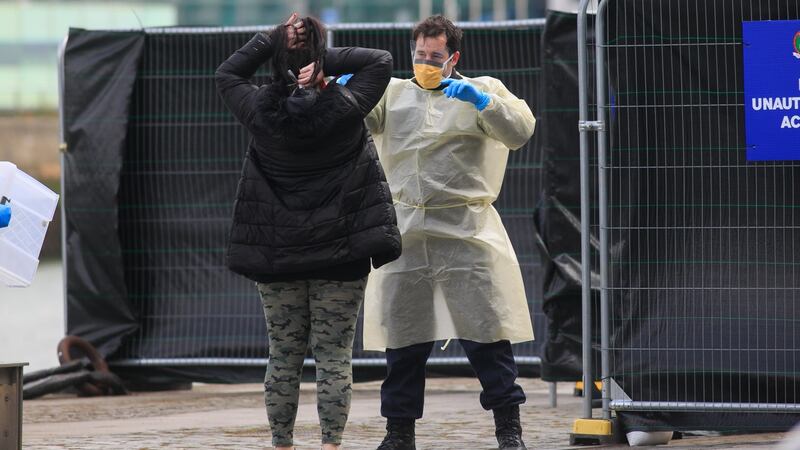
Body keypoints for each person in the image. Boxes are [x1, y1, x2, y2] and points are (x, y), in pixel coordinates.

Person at [340, 15, 536, 450]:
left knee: (486, 334)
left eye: (435, 56)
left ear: (453, 58)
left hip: (466, 229)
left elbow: (520, 131)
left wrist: (482, 101)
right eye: (419, 55)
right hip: (406, 232)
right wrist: (340, 90)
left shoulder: (483, 89)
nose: (425, 63)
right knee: (404, 339)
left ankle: (509, 429)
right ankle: (399, 433)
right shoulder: (392, 94)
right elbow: (350, 120)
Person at [215, 13, 401, 450]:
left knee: (283, 355)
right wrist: (319, 58)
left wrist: (272, 42)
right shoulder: (345, 105)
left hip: (277, 258)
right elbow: (381, 60)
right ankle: (331, 444)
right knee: (334, 355)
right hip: (342, 255)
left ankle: (282, 443)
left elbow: (228, 72)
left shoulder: (258, 110)